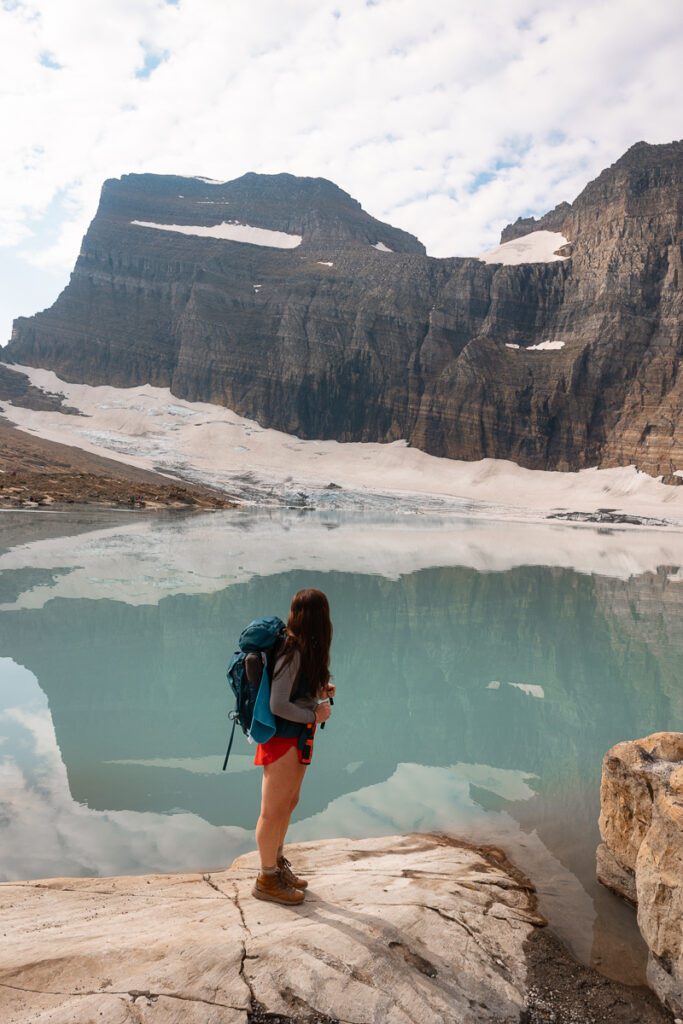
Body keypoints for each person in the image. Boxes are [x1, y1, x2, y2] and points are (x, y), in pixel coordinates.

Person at [252, 588, 335, 905]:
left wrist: (317, 688)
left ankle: (277, 866)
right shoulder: (291, 650)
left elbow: (291, 692)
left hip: (294, 738)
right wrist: (312, 713)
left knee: (288, 803)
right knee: (272, 812)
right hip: (283, 740)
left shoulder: (300, 648)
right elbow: (277, 704)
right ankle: (266, 878)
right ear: (319, 618)